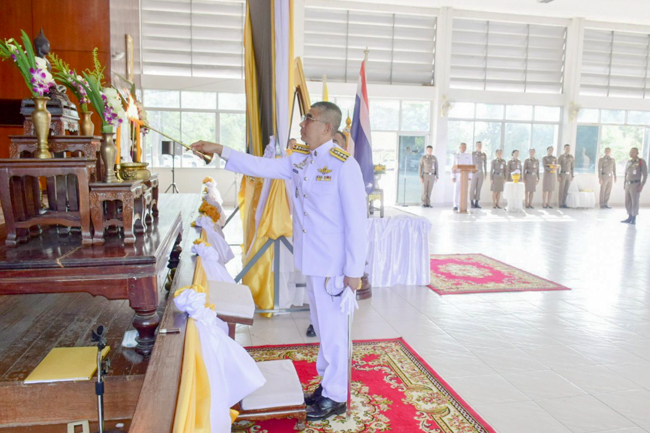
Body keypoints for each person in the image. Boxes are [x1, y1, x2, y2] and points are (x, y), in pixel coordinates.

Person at [190, 101, 367, 420]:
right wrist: (220, 150)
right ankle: (327, 386)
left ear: (326, 128)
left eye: (309, 119)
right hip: (312, 261)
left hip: (334, 266)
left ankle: (336, 396)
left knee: (335, 333)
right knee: (323, 328)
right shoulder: (301, 159)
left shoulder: (344, 165)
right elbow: (261, 166)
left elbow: (357, 223)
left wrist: (354, 272)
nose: (302, 124)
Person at [621, 147, 647, 225]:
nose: (631, 153)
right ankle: (629, 217)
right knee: (627, 201)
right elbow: (626, 174)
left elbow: (645, 175)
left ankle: (634, 218)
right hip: (628, 184)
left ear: (637, 153)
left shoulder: (641, 162)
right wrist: (624, 183)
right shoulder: (629, 162)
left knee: (634, 201)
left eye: (633, 152)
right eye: (630, 152)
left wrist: (641, 185)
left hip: (635, 184)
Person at [452, 142, 473, 211]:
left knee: (464, 191)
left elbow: (471, 166)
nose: (463, 148)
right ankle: (455, 205)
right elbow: (453, 166)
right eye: (462, 147)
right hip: (458, 175)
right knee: (456, 190)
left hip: (465, 176)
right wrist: (453, 176)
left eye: (464, 147)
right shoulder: (456, 155)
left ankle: (462, 205)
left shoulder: (469, 156)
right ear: (459, 147)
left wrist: (470, 176)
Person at [470, 141, 487, 209]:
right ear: (476, 146)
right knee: (472, 187)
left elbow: (485, 164)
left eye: (480, 145)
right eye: (478, 145)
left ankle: (477, 202)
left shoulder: (483, 154)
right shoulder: (473, 153)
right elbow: (470, 162)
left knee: (479, 188)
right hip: (474, 172)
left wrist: (485, 173)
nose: (479, 146)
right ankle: (471, 202)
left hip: (480, 172)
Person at [557, 144, 574, 208]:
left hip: (568, 175)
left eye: (569, 148)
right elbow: (558, 167)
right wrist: (558, 175)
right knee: (561, 190)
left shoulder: (571, 157)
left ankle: (564, 203)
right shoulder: (561, 157)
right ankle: (560, 203)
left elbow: (572, 167)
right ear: (564, 149)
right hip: (563, 174)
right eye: (566, 148)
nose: (568, 149)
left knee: (566, 190)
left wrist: (572, 175)